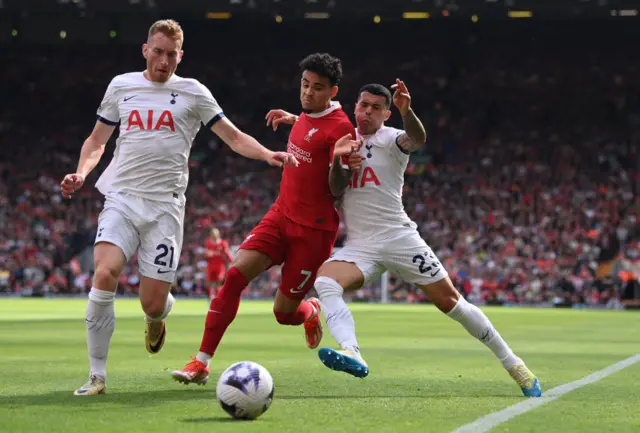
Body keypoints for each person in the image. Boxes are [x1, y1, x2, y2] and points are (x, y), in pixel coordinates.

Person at [60, 19, 297, 396]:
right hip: (121, 197)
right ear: (145, 50)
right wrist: (81, 173)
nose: (164, 61)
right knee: (104, 274)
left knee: (152, 304)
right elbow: (97, 140)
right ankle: (97, 376)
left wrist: (268, 154)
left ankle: (157, 317)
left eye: (172, 55)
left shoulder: (193, 92)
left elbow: (232, 137)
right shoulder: (121, 86)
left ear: (180, 55)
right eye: (158, 52)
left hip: (165, 208)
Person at [313, 80, 543, 398]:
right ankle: (352, 352)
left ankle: (515, 365)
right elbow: (337, 188)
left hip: (399, 238)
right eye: (363, 104)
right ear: (354, 106)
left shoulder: (391, 138)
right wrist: (340, 163)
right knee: (325, 282)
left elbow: (417, 139)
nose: (367, 111)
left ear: (386, 113)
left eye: (375, 107)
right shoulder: (342, 141)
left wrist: (408, 111)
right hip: (360, 244)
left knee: (451, 303)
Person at [171, 52, 361, 385]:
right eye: (305, 84)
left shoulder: (341, 129)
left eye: (317, 88)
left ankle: (310, 311)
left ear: (333, 92)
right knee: (234, 277)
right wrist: (294, 119)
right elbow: (310, 127)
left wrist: (337, 162)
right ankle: (201, 362)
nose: (308, 92)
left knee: (283, 313)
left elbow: (337, 187)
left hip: (313, 233)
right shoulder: (308, 115)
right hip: (280, 216)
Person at [204, 228, 233, 300]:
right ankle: (210, 297)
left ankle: (217, 298)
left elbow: (227, 253)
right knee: (209, 283)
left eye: (215, 234)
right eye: (212, 234)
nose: (213, 235)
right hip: (211, 266)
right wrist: (207, 254)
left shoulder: (223, 243)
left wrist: (232, 261)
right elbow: (206, 254)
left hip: (220, 266)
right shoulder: (208, 243)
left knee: (218, 283)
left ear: (218, 234)